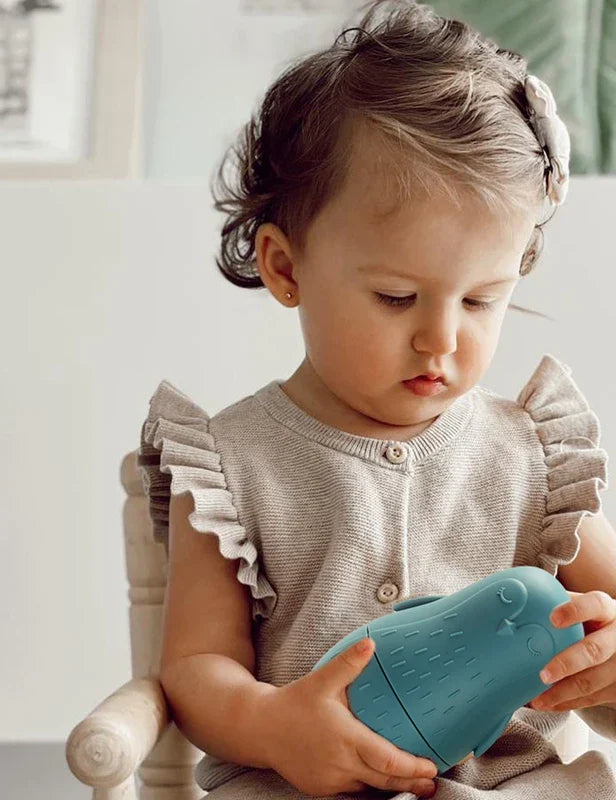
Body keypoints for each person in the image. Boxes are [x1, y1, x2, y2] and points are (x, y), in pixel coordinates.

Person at [136, 1, 615, 797]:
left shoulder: (533, 458)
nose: (440, 339)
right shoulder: (231, 464)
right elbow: (197, 666)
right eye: (397, 297)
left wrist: (603, 668)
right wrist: (274, 724)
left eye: (481, 300)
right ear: (285, 268)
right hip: (304, 782)